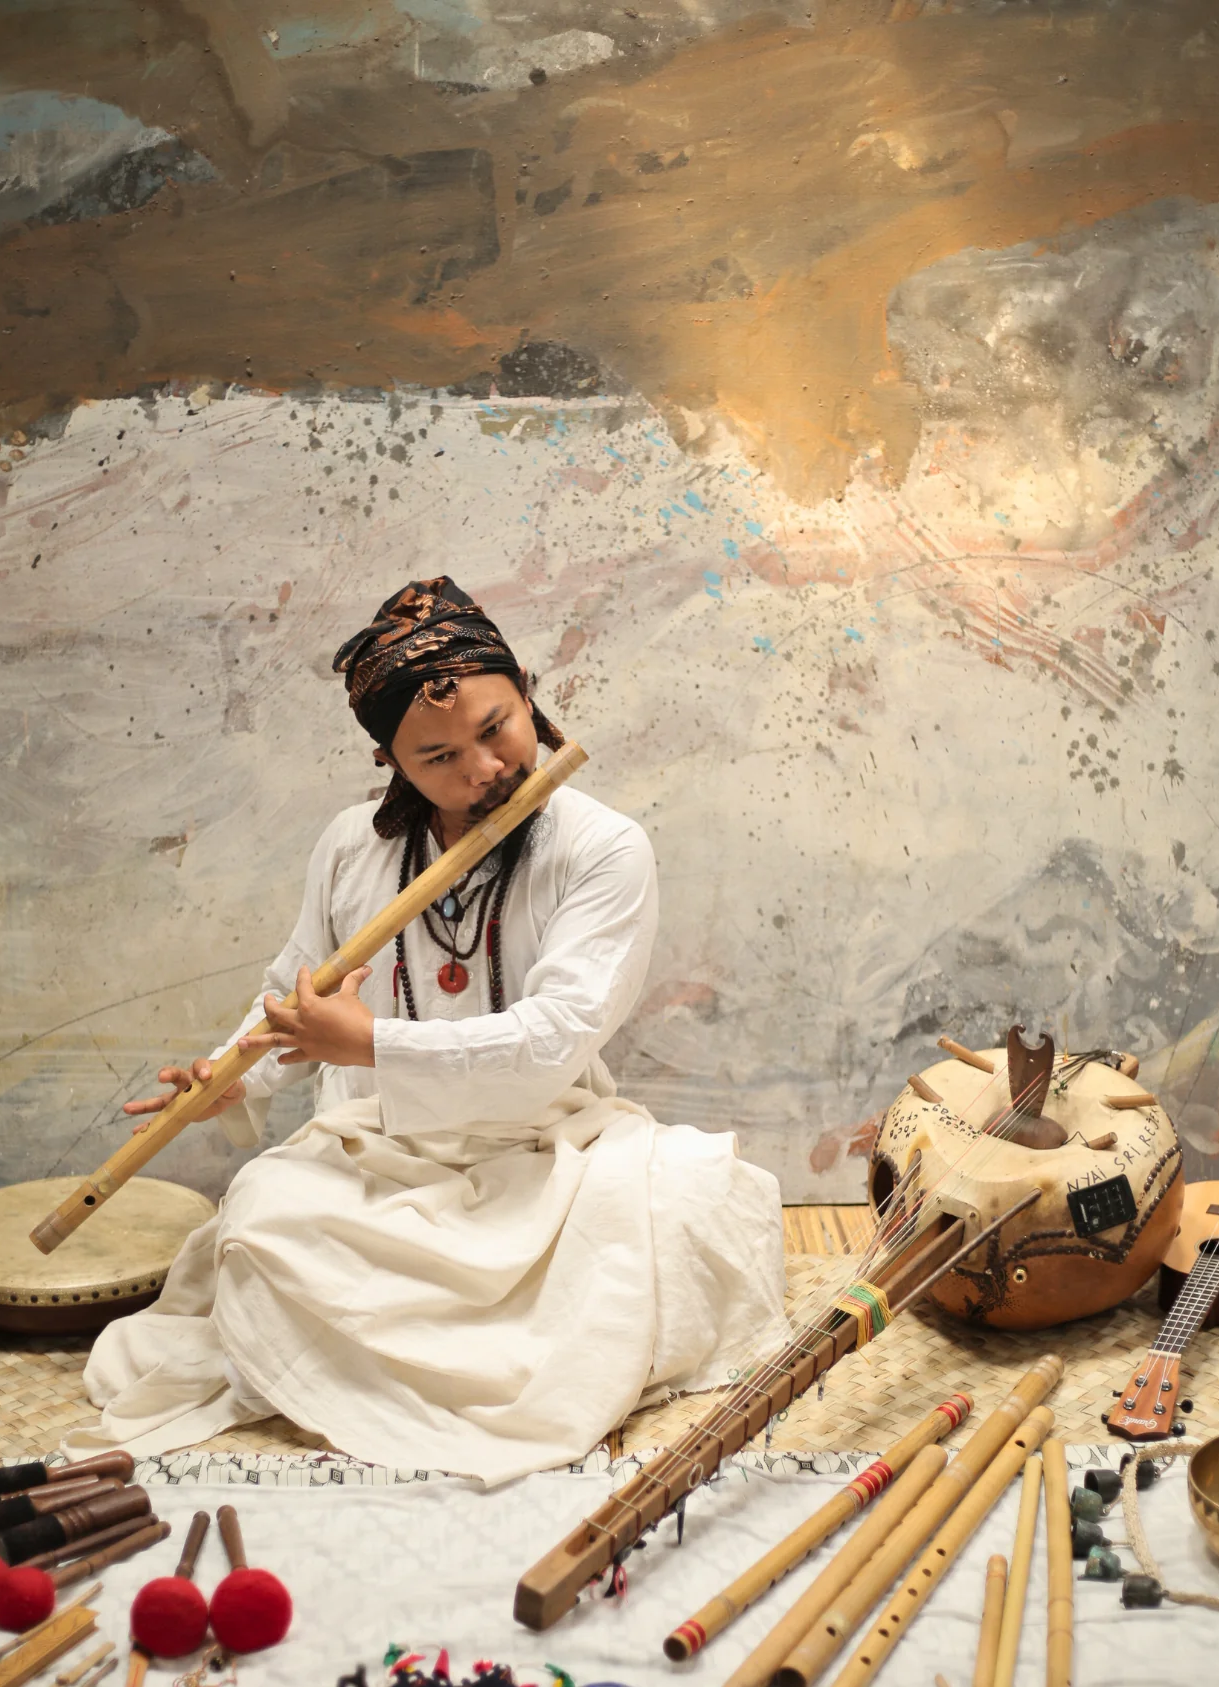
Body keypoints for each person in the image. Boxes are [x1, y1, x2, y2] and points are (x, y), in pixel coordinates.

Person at [72, 578, 788, 1483]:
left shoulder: (605, 847)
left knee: (694, 1205)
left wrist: (370, 1043)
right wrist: (227, 1075)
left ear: (527, 691)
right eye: (439, 756)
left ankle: (453, 1358)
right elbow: (294, 992)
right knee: (259, 1223)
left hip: (547, 1150)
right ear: (394, 763)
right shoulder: (350, 845)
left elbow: (556, 1037)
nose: (484, 768)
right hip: (381, 1158)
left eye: (497, 727)